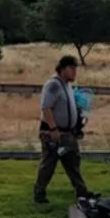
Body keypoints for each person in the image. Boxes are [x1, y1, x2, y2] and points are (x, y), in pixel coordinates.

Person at [34, 54, 90, 205]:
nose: (74, 72)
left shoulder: (67, 85)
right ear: (63, 69)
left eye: (75, 69)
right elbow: (46, 108)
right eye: (71, 69)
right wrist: (53, 129)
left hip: (68, 133)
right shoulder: (53, 85)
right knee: (49, 164)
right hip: (53, 132)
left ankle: (82, 192)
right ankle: (39, 192)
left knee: (73, 163)